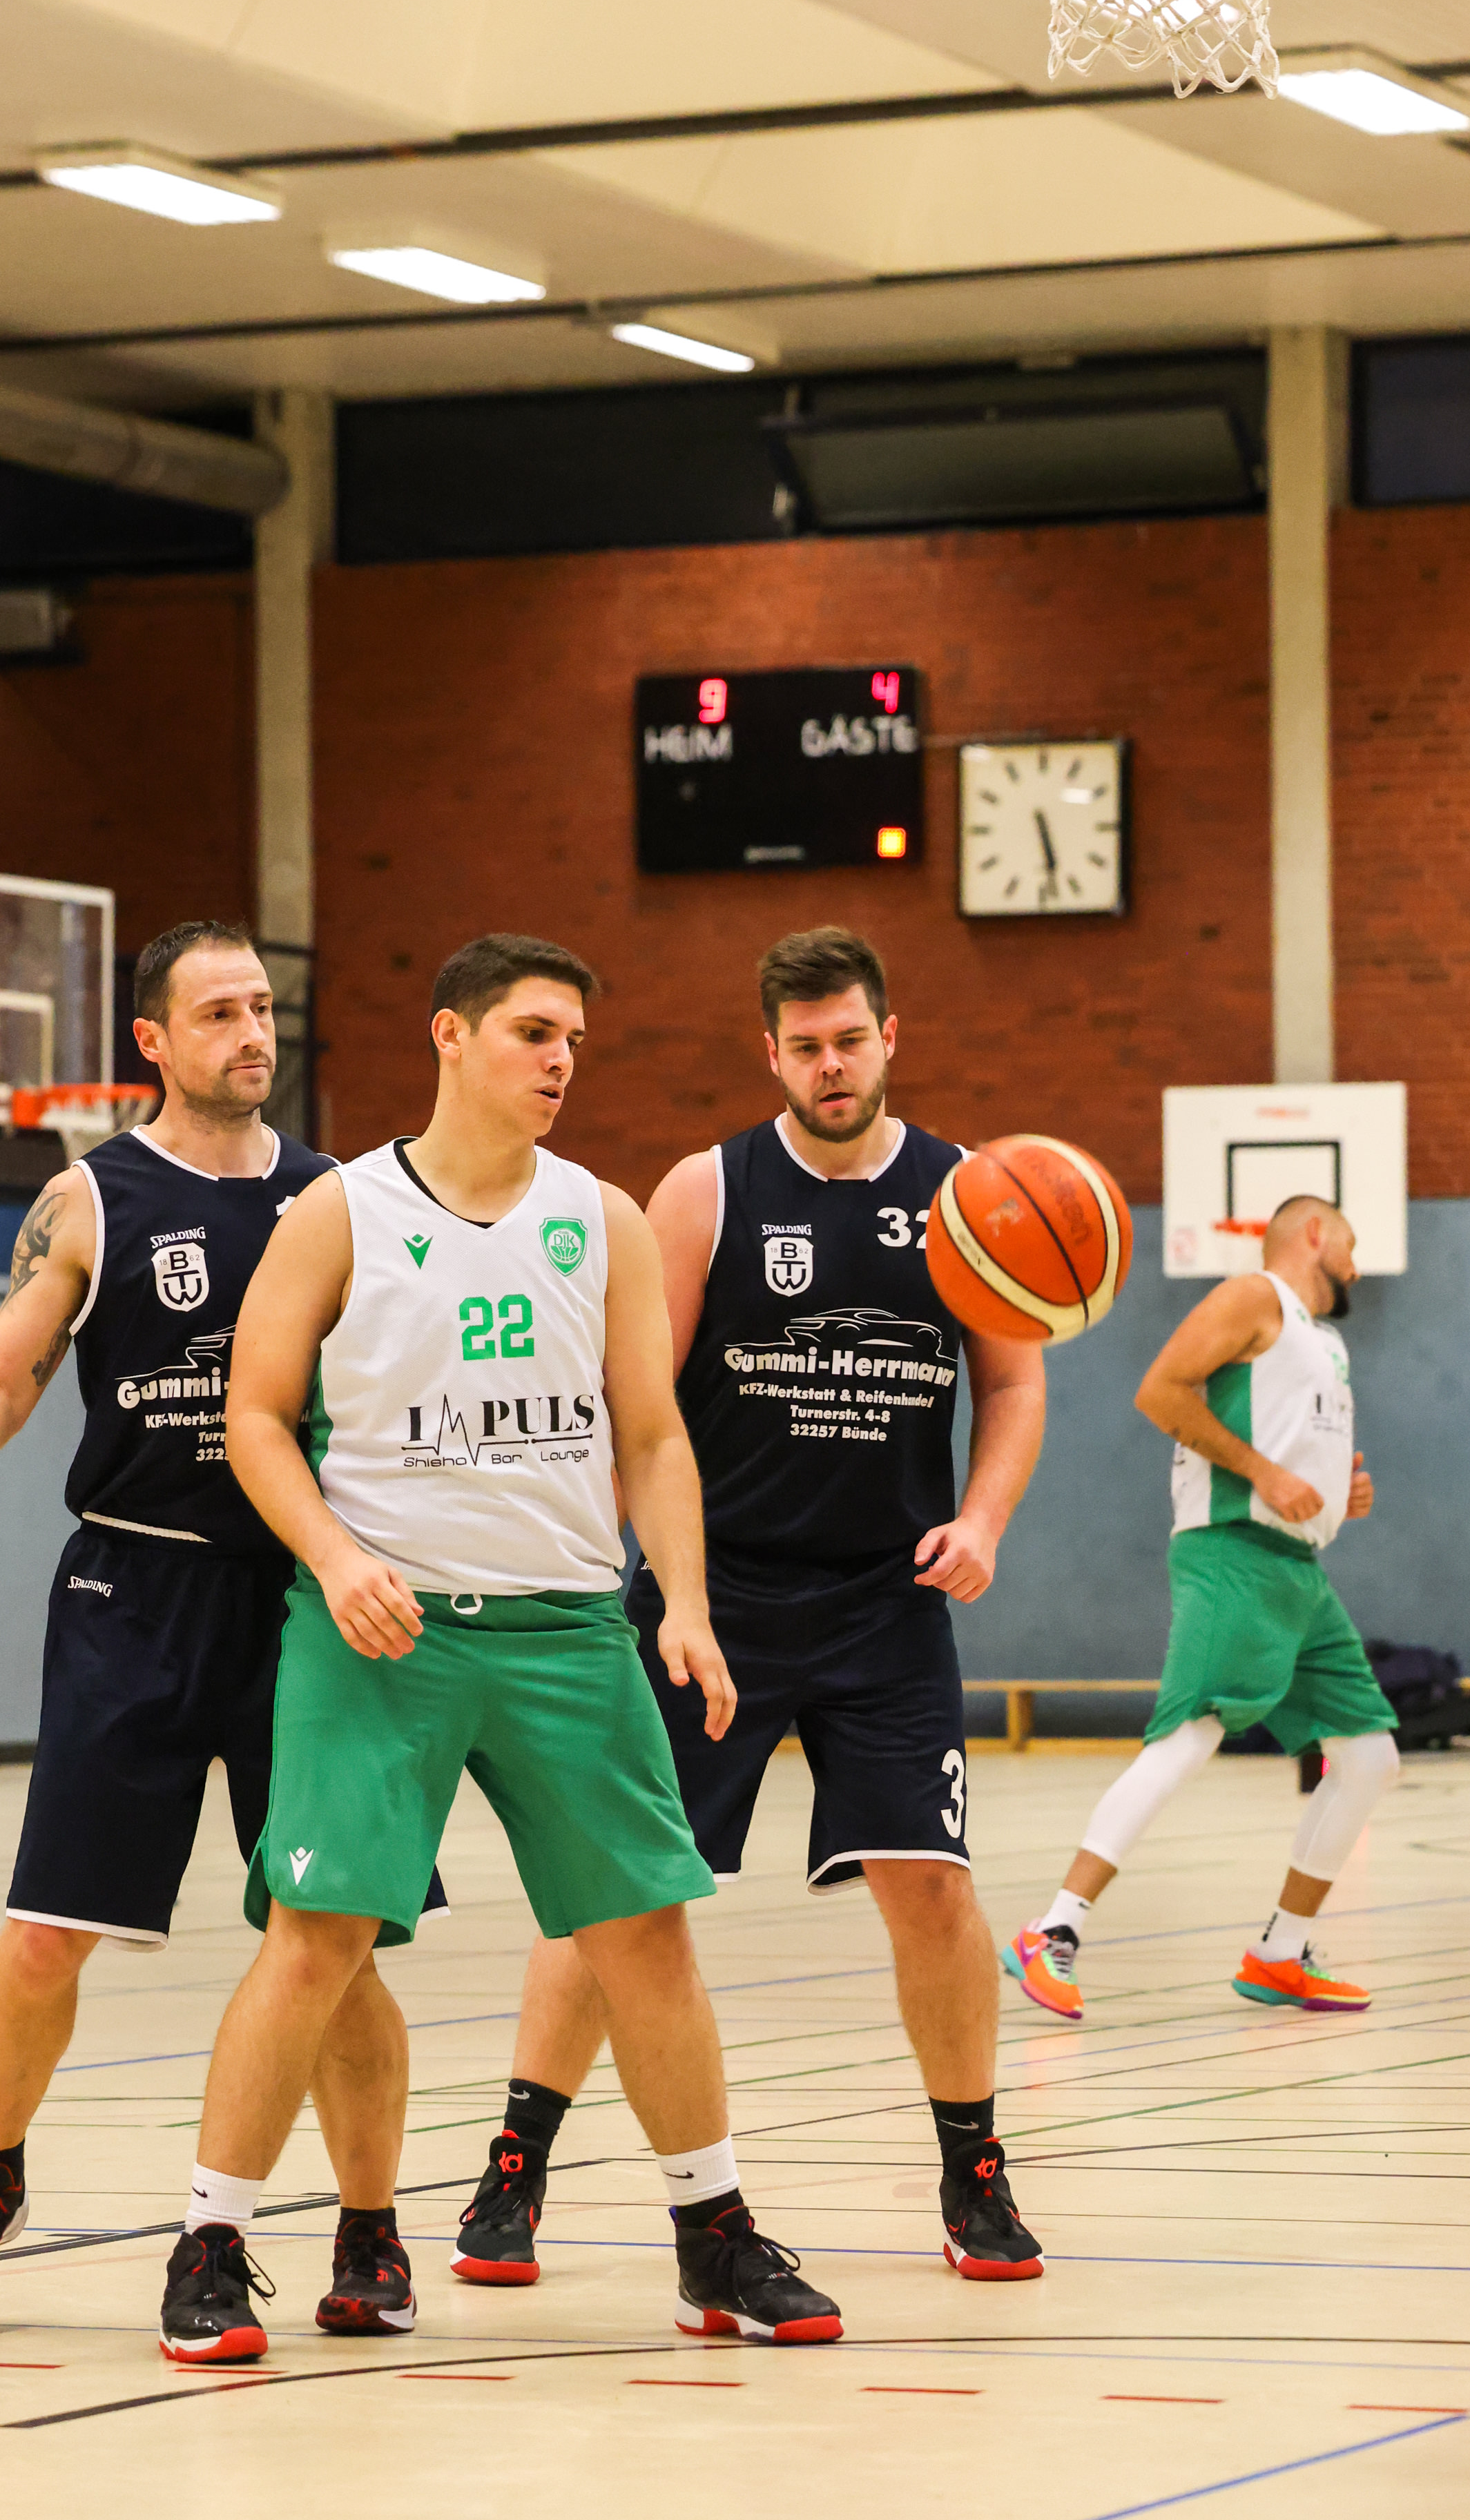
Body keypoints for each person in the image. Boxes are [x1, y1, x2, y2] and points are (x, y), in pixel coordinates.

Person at [165, 931, 842, 2364]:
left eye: (574, 1041)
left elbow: (651, 1433)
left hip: (566, 1626)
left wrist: (684, 1601)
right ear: (451, 1035)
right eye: (535, 1032)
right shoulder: (339, 1211)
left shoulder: (602, 1218)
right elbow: (253, 1418)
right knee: (316, 1936)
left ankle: (711, 2235)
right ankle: (210, 2241)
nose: (560, 1061)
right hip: (383, 1627)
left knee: (644, 1933)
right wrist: (335, 1557)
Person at [452, 924, 1049, 2293]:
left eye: (848, 1039)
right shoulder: (705, 1190)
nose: (829, 1063)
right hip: (708, 1600)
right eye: (803, 1045)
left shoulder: (967, 1196)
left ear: (887, 1037)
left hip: (887, 1600)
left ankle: (971, 2169)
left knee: (931, 1884)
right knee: (614, 1895)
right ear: (768, 1052)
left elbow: (1012, 1385)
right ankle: (514, 2163)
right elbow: (636, 1404)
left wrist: (982, 1520)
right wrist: (610, 1572)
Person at [0, 922, 423, 2344]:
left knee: (338, 1938)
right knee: (45, 1934)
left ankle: (369, 2227)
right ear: (153, 1039)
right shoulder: (91, 1198)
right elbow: (6, 1379)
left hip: (301, 1594)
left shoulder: (338, 1196)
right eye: (219, 1011)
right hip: (133, 1590)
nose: (252, 1032)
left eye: (261, 1007)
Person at [1004, 1194, 1400, 2024]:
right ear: (1314, 1233)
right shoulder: (1254, 1296)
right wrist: (1263, 1472)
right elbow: (1160, 1391)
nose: (1359, 1265)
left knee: (1370, 1756)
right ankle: (1053, 1927)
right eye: (1352, 1244)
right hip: (1232, 1551)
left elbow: (1296, 1452)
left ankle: (1281, 1951)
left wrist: (1340, 1492)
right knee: (1189, 1735)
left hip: (1298, 1570)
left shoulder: (1325, 1342)